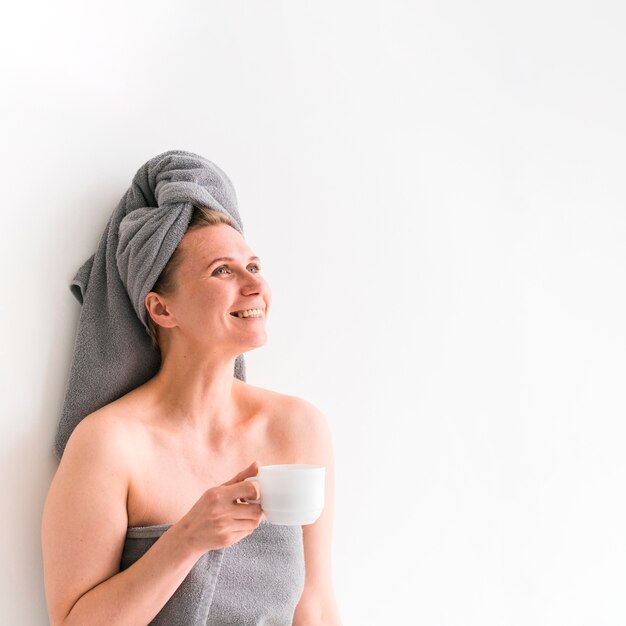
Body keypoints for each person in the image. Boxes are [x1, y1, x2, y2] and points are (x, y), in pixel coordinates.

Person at [41, 205, 342, 625]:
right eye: (223, 271)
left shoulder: (298, 427)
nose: (255, 284)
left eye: (254, 266)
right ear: (162, 310)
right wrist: (186, 539)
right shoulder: (109, 444)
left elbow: (316, 605)